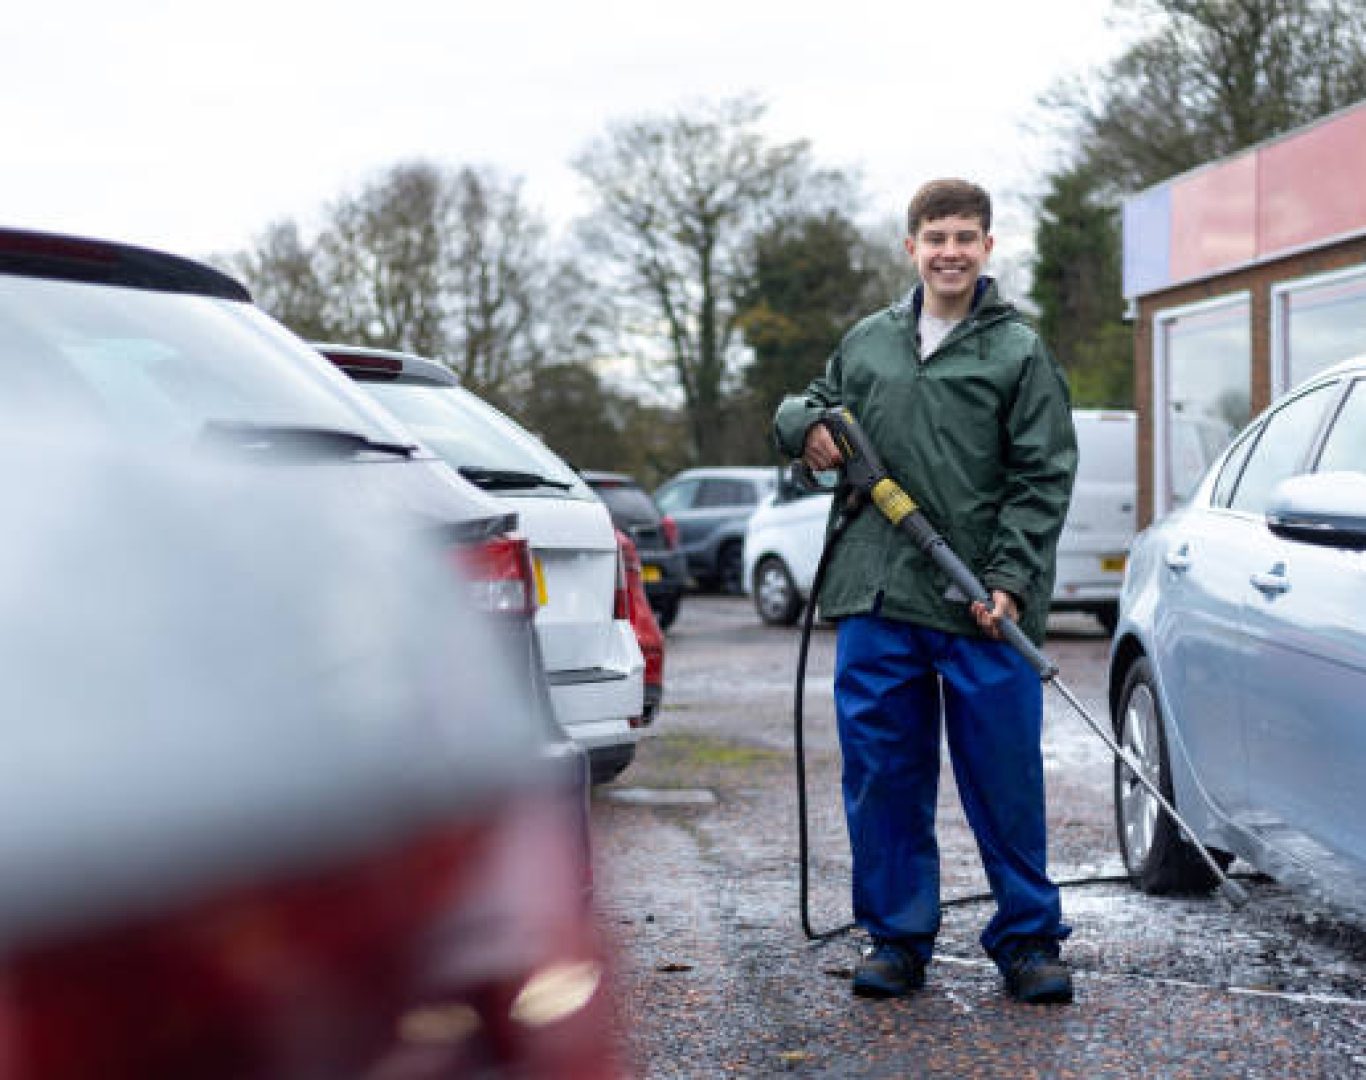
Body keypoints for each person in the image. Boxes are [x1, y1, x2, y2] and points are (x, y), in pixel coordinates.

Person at [773, 178, 1078, 1004]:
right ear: (910, 247)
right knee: (884, 774)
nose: (950, 250)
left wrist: (1011, 580)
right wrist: (802, 426)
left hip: (981, 603)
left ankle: (1027, 940)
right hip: (876, 595)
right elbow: (810, 403)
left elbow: (1043, 476)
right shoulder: (868, 342)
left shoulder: (1018, 352)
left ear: (987, 247)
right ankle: (898, 939)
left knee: (1004, 777)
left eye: (965, 237)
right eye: (935, 236)